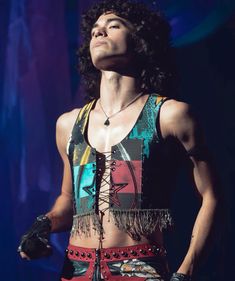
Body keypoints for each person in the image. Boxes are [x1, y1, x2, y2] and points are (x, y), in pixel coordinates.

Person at [18, 1, 220, 280]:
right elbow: (68, 200)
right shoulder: (68, 124)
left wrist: (185, 272)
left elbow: (212, 197)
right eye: (95, 31)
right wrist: (44, 224)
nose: (100, 33)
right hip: (75, 270)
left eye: (113, 26)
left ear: (141, 41)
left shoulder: (170, 115)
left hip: (139, 268)